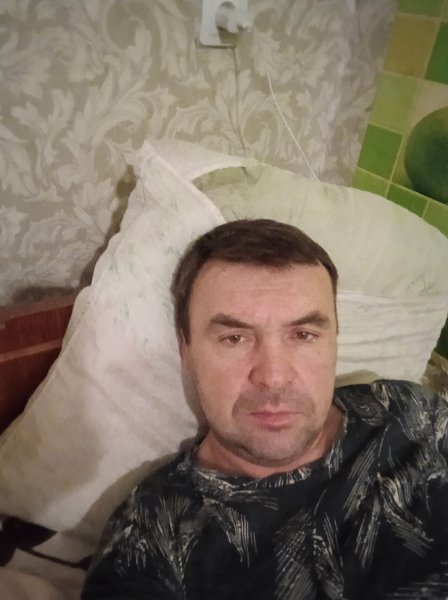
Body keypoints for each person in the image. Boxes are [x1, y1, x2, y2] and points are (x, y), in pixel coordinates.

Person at [82, 219, 448, 599]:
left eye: (303, 335)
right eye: (234, 338)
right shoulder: (152, 539)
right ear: (185, 349)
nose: (273, 377)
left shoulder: (411, 411)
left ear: (334, 340)